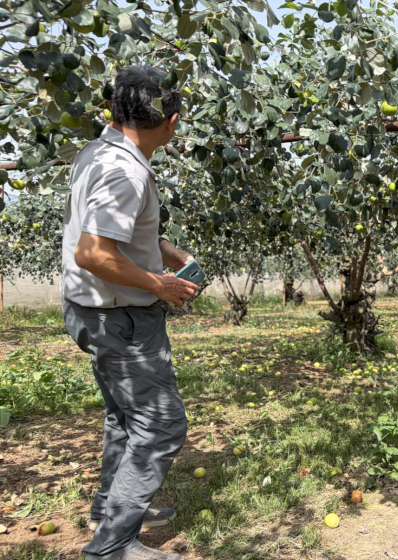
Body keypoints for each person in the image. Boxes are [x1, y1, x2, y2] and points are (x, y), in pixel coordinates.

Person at [62, 65, 199, 560]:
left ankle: (113, 507)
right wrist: (159, 284)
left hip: (93, 311)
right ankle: (113, 545)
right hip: (119, 317)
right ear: (173, 121)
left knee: (125, 417)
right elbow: (94, 252)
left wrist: (162, 251)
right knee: (161, 425)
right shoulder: (125, 170)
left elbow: (112, 234)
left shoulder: (98, 153)